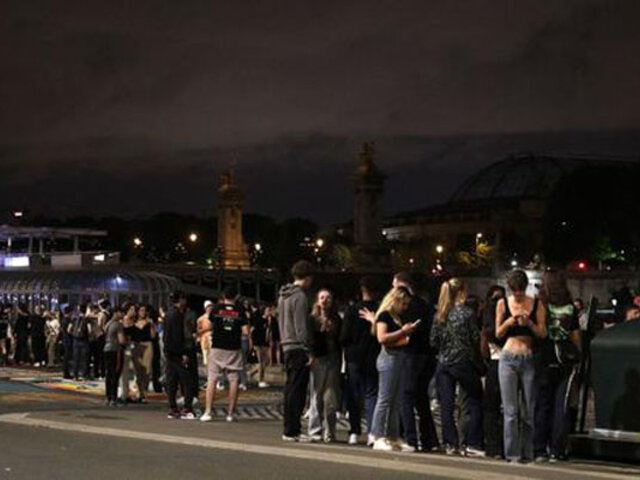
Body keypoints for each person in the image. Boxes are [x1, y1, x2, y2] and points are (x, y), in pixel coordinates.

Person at [496, 269, 547, 463]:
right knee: (510, 411)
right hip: (508, 357)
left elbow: (543, 333)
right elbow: (498, 333)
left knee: (528, 411)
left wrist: (530, 324)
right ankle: (512, 454)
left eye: (520, 290)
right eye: (514, 290)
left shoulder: (536, 304)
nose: (517, 294)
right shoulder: (502, 303)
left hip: (528, 357)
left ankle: (528, 451)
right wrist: (509, 322)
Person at [430, 278, 484, 457]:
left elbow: (433, 341)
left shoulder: (440, 314)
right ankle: (472, 442)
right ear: (462, 290)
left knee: (446, 405)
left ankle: (450, 443)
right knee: (475, 399)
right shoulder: (467, 314)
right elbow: (475, 339)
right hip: (463, 362)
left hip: (443, 362)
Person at [534, 271, 581, 462]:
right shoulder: (571, 308)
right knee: (560, 406)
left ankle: (539, 449)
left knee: (542, 405)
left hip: (544, 358)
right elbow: (576, 337)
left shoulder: (541, 306)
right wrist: (577, 355)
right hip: (565, 361)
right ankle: (557, 449)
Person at [393, 272, 439, 452]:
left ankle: (410, 438)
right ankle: (430, 440)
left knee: (406, 396)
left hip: (410, 353)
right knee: (421, 398)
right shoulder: (425, 305)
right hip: (426, 355)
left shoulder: (406, 306)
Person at [370, 286, 418, 452]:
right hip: (388, 358)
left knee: (395, 400)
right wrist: (402, 332)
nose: (405, 307)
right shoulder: (384, 315)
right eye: (403, 303)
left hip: (398, 357)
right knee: (384, 398)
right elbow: (381, 337)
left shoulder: (397, 316)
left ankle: (393, 436)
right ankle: (377, 435)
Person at [200, 286, 250, 423]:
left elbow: (209, 326)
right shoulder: (240, 310)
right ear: (236, 296)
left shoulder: (216, 309)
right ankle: (230, 414)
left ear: (223, 295)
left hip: (217, 346)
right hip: (234, 347)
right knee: (234, 379)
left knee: (212, 379)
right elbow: (246, 331)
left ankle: (208, 412)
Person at [279, 260, 315, 442]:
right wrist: (308, 350)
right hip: (298, 347)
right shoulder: (300, 297)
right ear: (308, 278)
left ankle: (288, 427)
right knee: (298, 391)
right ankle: (293, 430)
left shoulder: (283, 296)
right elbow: (301, 326)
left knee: (289, 389)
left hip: (286, 344)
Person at [341, 276, 380, 446]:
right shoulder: (380, 309)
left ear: (362, 290)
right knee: (372, 394)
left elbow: (344, 337)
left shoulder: (352, 310)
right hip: (373, 356)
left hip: (354, 357)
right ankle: (372, 431)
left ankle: (354, 431)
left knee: (354, 395)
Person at [307, 288, 342, 443]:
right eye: (322, 297)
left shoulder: (337, 319)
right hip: (318, 358)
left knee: (331, 397)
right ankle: (314, 430)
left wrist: (331, 329)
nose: (325, 300)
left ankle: (330, 431)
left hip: (333, 357)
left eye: (328, 297)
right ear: (317, 300)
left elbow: (340, 338)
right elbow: (309, 338)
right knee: (316, 394)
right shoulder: (312, 318)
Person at [481, 285, 506, 459]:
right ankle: (501, 444)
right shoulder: (503, 313)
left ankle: (493, 445)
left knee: (492, 407)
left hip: (494, 361)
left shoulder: (487, 314)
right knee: (507, 407)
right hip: (502, 359)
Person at [164, 291, 196, 419]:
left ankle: (172, 408)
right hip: (178, 352)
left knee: (172, 380)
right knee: (187, 380)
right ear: (180, 300)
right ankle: (187, 408)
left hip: (169, 351)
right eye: (184, 299)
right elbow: (178, 336)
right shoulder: (177, 315)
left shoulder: (168, 314)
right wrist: (182, 352)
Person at [132, 304, 156, 403]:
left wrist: (152, 326)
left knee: (147, 369)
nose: (143, 312)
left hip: (148, 344)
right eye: (141, 310)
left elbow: (153, 336)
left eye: (144, 311)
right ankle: (139, 392)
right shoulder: (133, 322)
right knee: (137, 369)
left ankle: (143, 392)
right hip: (137, 345)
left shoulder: (149, 322)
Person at [104, 305, 126, 407]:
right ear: (117, 313)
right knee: (115, 374)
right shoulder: (118, 325)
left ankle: (108, 397)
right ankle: (114, 397)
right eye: (122, 313)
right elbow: (121, 340)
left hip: (106, 348)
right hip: (115, 350)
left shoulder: (108, 323)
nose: (123, 315)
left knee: (109, 374)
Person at [120, 303, 137, 402]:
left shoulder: (134, 321)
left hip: (135, 347)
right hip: (127, 348)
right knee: (125, 372)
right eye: (131, 309)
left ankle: (132, 392)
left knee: (136, 372)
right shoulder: (124, 321)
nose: (133, 312)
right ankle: (124, 393)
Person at [70, 305, 92, 380]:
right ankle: (84, 375)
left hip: (76, 340)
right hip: (84, 340)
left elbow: (69, 329)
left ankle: (75, 375)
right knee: (85, 358)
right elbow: (90, 330)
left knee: (76, 358)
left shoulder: (74, 319)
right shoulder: (87, 319)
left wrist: (74, 334)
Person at [251, 304, 270, 388]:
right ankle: (261, 380)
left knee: (265, 362)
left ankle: (252, 372)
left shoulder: (268, 321)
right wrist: (253, 344)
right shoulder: (259, 320)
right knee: (261, 362)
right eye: (268, 310)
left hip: (265, 343)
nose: (269, 312)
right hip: (258, 343)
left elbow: (268, 332)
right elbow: (253, 331)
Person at [197, 300, 214, 367]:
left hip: (213, 340)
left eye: (211, 306)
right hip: (204, 340)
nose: (210, 308)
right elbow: (198, 330)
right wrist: (206, 329)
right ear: (205, 308)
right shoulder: (200, 319)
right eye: (208, 306)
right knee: (206, 359)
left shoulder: (216, 317)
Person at [60, 306, 74, 379]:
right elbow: (69, 330)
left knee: (66, 357)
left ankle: (66, 372)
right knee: (67, 357)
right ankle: (66, 373)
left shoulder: (63, 320)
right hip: (68, 339)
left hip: (65, 339)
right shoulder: (68, 320)